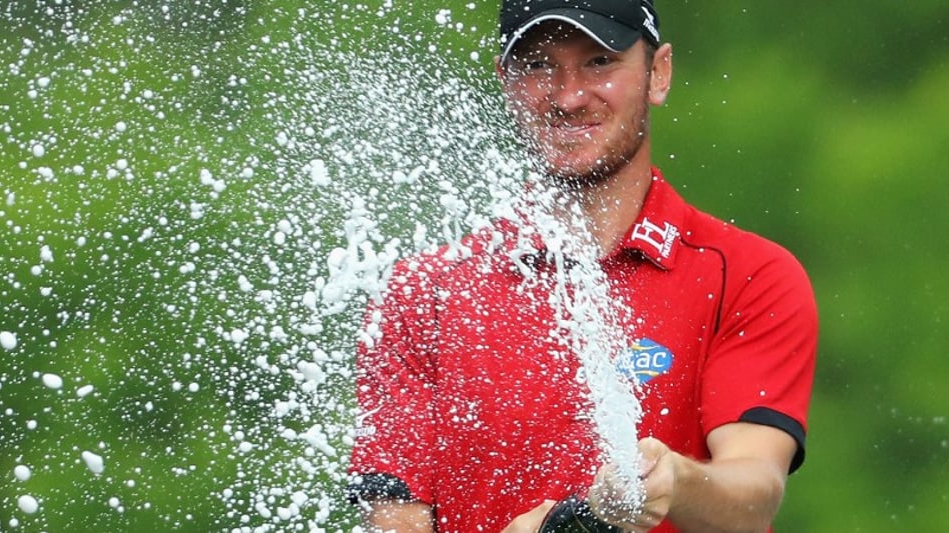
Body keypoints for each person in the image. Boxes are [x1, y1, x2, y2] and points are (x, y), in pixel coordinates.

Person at [347, 1, 818, 532]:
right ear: (506, 82)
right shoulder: (420, 293)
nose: (568, 96)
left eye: (599, 61)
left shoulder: (750, 275)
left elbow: (753, 500)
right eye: (538, 65)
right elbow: (394, 522)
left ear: (658, 73)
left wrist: (675, 481)